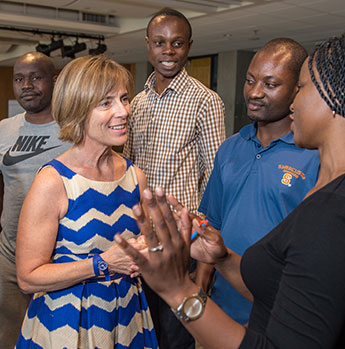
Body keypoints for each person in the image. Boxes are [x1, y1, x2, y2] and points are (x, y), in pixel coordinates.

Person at [116, 28, 345, 348]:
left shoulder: (337, 213)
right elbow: (289, 297)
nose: (293, 103)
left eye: (301, 87)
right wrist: (223, 258)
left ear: (337, 98)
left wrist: (176, 289)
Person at [15, 55, 158, 348]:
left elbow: (143, 252)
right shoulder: (54, 181)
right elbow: (28, 278)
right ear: (78, 110)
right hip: (68, 324)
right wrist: (103, 264)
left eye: (123, 99)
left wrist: (156, 247)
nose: (123, 111)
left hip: (127, 316)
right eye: (106, 103)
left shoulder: (135, 176)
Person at [198, 38, 320, 324]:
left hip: (280, 308)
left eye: (270, 84)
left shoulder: (314, 155)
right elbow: (212, 222)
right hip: (224, 304)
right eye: (250, 80)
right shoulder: (230, 147)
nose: (254, 92)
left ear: (296, 90)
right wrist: (201, 285)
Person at [123, 7, 225, 348]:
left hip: (182, 241)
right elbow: (128, 168)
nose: (168, 51)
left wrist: (205, 264)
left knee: (175, 337)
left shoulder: (205, 101)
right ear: (148, 45)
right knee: (142, 332)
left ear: (189, 46)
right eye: (160, 43)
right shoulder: (136, 103)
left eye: (177, 43)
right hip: (140, 238)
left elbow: (216, 180)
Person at [0, 52, 71, 348]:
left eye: (35, 77)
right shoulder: (4, 129)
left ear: (54, 81)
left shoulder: (72, 130)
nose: (26, 85)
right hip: (9, 255)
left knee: (57, 337)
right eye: (19, 79)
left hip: (59, 257)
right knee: (9, 335)